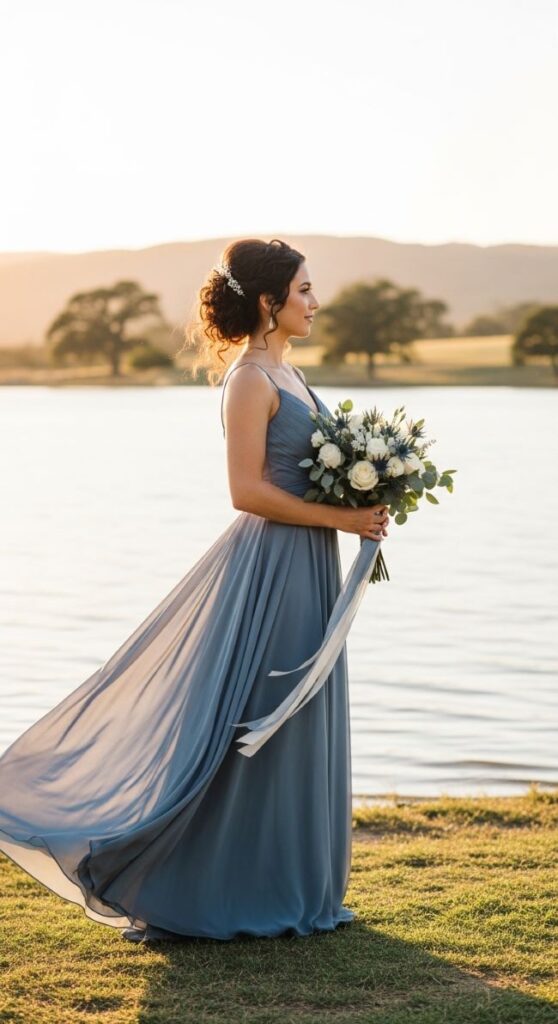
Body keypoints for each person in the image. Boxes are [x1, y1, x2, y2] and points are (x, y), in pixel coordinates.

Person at [0, 237, 388, 945]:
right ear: (269, 302)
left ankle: (294, 882)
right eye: (303, 289)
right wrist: (344, 514)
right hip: (270, 566)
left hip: (309, 561)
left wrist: (367, 490)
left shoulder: (291, 373)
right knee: (259, 712)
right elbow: (246, 491)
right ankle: (214, 884)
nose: (314, 300)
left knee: (299, 711)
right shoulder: (250, 381)